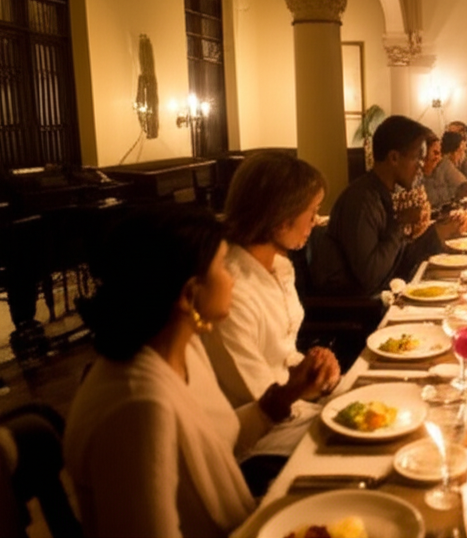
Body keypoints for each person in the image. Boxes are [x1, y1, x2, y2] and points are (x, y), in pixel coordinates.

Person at [65, 207, 323, 536]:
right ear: (189, 295)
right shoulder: (137, 408)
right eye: (222, 266)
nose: (232, 278)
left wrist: (284, 396)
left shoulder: (184, 345)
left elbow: (216, 440)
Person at [201, 152, 340, 491]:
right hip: (259, 445)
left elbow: (283, 353)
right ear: (280, 220)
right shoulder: (231, 290)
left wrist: (317, 366)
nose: (316, 221)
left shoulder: (278, 266)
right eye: (311, 213)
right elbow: (259, 398)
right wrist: (304, 385)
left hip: (297, 409)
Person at [309, 115, 439, 295]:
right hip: (358, 310)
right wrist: (400, 225)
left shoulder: (383, 192)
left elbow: (397, 259)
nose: (421, 165)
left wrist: (441, 231)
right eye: (417, 157)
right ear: (394, 158)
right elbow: (371, 276)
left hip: (378, 295)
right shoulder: (362, 201)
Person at [423, 131, 467, 207]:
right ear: (423, 153)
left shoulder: (443, 164)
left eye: (439, 153)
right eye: (435, 153)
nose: (438, 157)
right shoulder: (415, 177)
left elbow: (464, 185)